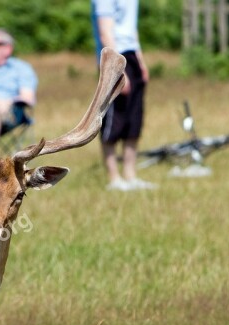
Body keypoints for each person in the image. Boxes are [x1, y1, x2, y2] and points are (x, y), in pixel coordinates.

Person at [92, 0, 157, 191]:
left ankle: (130, 175)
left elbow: (131, 29)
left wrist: (141, 61)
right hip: (113, 56)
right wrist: (118, 70)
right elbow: (105, 32)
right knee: (114, 120)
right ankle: (114, 178)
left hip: (131, 55)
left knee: (133, 121)